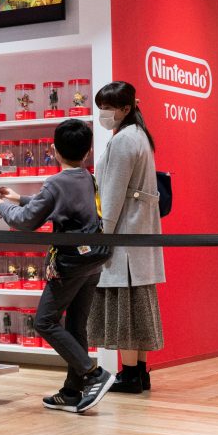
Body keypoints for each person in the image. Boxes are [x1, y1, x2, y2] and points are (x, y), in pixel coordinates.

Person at [0, 119, 114, 413]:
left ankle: (93, 373)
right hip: (93, 260)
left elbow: (25, 221)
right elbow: (57, 202)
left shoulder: (56, 182)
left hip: (69, 264)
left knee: (44, 321)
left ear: (53, 150)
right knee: (76, 325)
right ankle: (73, 391)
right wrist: (20, 197)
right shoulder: (87, 176)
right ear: (87, 152)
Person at [87, 81, 164, 394]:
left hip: (124, 235)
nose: (104, 112)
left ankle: (129, 373)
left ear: (126, 108)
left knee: (125, 306)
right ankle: (140, 371)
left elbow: (112, 193)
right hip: (140, 235)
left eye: (109, 107)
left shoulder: (122, 141)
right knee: (140, 303)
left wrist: (102, 234)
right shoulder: (140, 136)